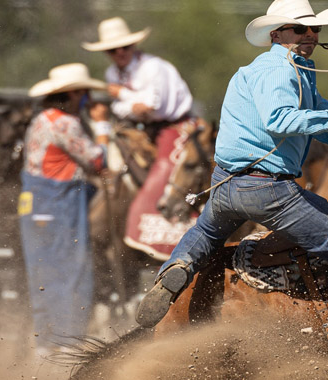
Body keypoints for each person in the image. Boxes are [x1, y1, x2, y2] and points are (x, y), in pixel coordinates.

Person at [135, 0, 328, 373]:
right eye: (298, 28)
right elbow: (281, 119)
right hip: (268, 191)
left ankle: (175, 269)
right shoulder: (279, 70)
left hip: (226, 186)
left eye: (313, 29)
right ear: (276, 34)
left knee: (206, 232)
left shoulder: (293, 71)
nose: (308, 35)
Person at [82, 17, 198, 257]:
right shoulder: (112, 72)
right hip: (142, 128)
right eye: (113, 50)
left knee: (168, 170)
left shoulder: (153, 68)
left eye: (124, 47)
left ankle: (175, 233)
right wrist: (129, 102)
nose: (120, 52)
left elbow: (150, 107)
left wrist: (123, 94)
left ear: (134, 46)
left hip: (176, 126)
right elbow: (124, 109)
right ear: (107, 53)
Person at [20, 63, 110, 356]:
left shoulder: (41, 120)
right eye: (84, 93)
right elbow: (97, 160)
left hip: (36, 201)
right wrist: (102, 128)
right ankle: (68, 338)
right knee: (71, 267)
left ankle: (45, 340)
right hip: (58, 203)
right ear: (73, 94)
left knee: (43, 270)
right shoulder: (65, 124)